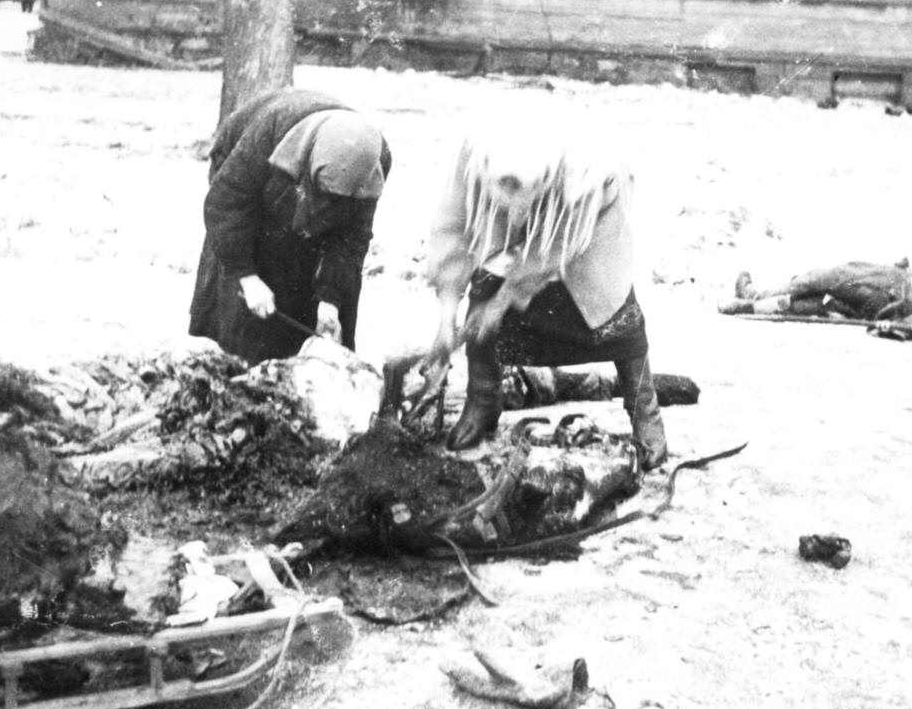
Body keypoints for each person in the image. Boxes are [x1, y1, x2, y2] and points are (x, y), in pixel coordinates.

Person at [423, 127, 668, 470]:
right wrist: (447, 318)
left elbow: (552, 249)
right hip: (515, 200)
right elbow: (451, 229)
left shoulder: (587, 172)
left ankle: (645, 412)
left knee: (613, 312)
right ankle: (482, 400)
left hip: (590, 216)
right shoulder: (472, 158)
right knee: (485, 281)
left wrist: (504, 301)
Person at [188, 89, 391, 365]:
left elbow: (351, 239)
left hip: (304, 189)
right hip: (251, 193)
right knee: (247, 310)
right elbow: (224, 203)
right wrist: (246, 277)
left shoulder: (374, 161)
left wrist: (329, 301)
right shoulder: (270, 131)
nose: (326, 206)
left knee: (327, 319)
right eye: (323, 193)